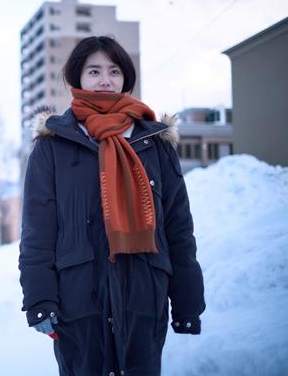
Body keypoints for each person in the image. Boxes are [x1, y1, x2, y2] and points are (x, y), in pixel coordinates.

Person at [18, 36, 205, 376]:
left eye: (114, 71)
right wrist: (39, 299)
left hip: (144, 295)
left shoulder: (154, 143)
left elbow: (178, 227)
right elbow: (37, 231)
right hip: (78, 300)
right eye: (94, 71)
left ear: (125, 78)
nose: (105, 80)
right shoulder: (53, 146)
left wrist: (188, 299)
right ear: (78, 79)